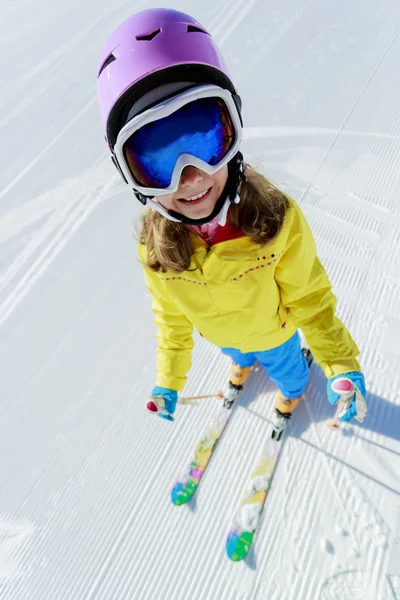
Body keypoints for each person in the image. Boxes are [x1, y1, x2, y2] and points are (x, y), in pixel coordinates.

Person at [96, 8, 367, 424]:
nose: (188, 177)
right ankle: (242, 361)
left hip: (275, 335)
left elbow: (310, 300)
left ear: (232, 131)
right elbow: (170, 318)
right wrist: (169, 379)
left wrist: (340, 364)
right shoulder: (158, 251)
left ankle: (293, 390)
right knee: (238, 352)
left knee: (286, 366)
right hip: (223, 338)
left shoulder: (274, 223)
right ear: (132, 177)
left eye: (203, 139)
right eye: (157, 160)